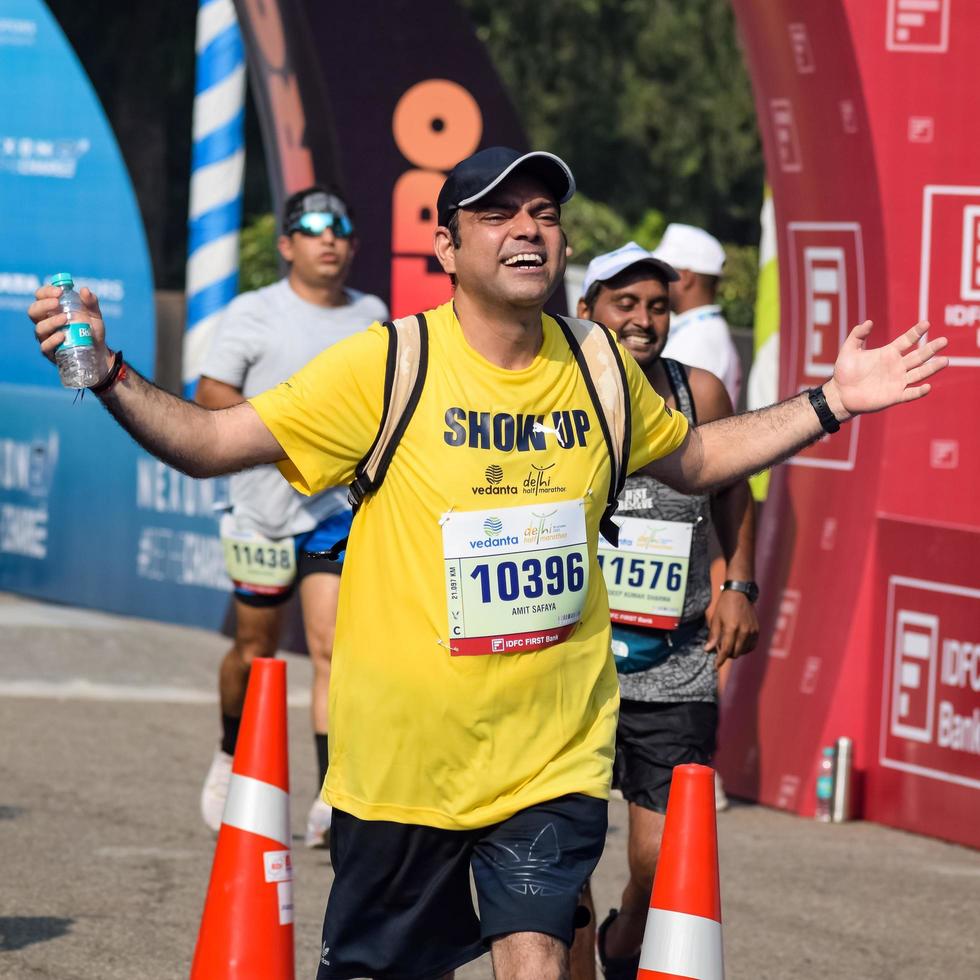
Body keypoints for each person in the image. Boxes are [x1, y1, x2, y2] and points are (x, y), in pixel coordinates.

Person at [28, 146, 947, 980]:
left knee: (541, 957)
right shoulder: (387, 366)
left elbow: (699, 459)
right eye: (499, 214)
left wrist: (831, 400)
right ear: (446, 246)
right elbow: (211, 439)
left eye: (545, 213)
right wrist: (107, 370)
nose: (528, 230)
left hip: (549, 754)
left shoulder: (596, 365)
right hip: (401, 766)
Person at [571, 242, 759, 980]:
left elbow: (733, 489)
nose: (644, 320)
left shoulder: (699, 394)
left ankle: (624, 944)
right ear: (587, 313)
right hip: (571, 659)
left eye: (657, 305)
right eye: (625, 305)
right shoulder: (554, 391)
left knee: (659, 856)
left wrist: (737, 583)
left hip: (674, 659)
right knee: (563, 855)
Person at [196, 185, 388, 847]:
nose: (327, 238)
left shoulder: (372, 313)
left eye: (340, 227)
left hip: (332, 508)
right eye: (312, 227)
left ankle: (331, 800)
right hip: (260, 507)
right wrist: (289, 429)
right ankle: (228, 750)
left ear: (353, 245)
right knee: (255, 649)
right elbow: (211, 394)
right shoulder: (254, 311)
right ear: (287, 245)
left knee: (333, 649)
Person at [652, 223, 742, 407]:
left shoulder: (699, 340)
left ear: (685, 278)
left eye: (663, 271)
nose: (655, 279)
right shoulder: (700, 331)